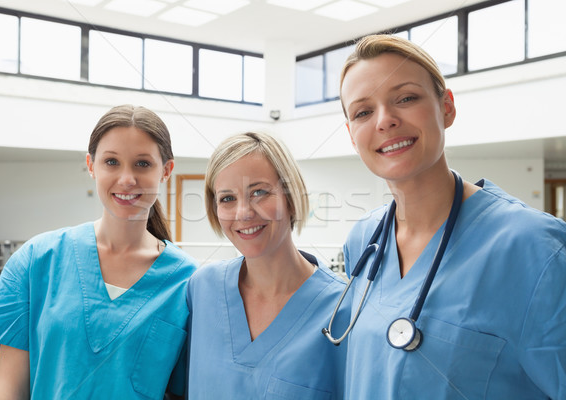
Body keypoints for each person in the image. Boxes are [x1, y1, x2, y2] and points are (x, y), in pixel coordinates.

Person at [333, 34, 566, 399]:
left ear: (447, 107)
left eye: (406, 98)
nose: (385, 120)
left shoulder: (533, 247)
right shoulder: (364, 240)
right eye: (363, 111)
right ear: (351, 134)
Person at [0, 105, 197, 399]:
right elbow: (9, 391)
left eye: (142, 164)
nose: (127, 179)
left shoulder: (189, 283)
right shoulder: (37, 260)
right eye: (111, 162)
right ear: (91, 166)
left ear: (166, 171)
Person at [186, 132, 348, 399]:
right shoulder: (202, 289)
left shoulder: (342, 309)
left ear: (291, 197)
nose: (243, 213)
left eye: (259, 192)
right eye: (227, 198)